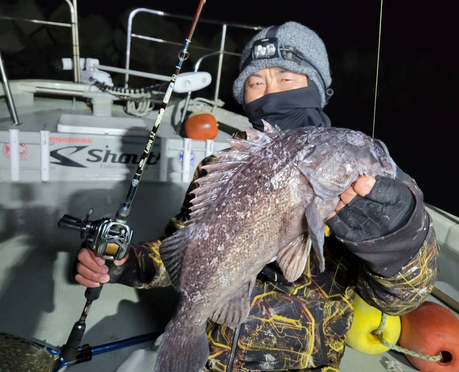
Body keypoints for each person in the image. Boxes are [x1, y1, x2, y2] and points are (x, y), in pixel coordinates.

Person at [75, 22, 439, 371]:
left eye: (286, 78)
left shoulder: (378, 183)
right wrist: (126, 262)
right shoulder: (218, 167)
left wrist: (399, 237)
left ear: (317, 88)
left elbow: (403, 298)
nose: (271, 92)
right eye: (255, 82)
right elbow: (187, 249)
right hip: (215, 359)